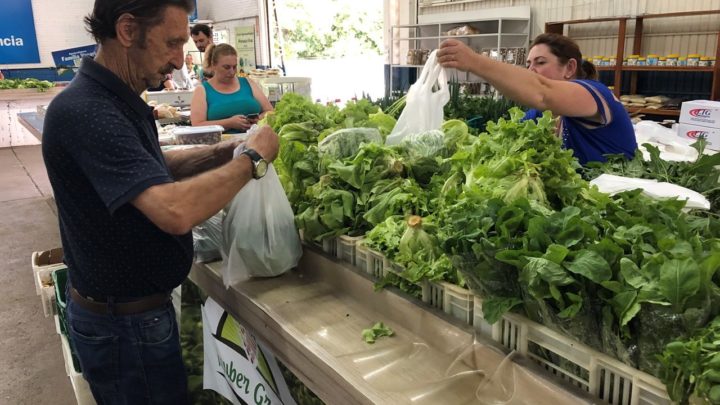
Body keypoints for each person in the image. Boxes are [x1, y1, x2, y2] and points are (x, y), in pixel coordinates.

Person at [41, 1, 279, 403]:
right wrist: (253, 162)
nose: (178, 60)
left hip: (135, 318)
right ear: (128, 30)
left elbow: (151, 167)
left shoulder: (116, 99)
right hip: (124, 328)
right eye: (171, 43)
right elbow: (174, 211)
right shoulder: (89, 111)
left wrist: (228, 151)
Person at [438, 33, 637, 165]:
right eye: (528, 64)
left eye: (540, 62)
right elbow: (503, 142)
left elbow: (542, 92)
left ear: (569, 68)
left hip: (619, 206)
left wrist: (474, 62)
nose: (531, 70)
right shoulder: (540, 115)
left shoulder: (595, 94)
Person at [191, 43, 273, 133]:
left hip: (254, 141)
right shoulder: (202, 90)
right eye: (226, 67)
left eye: (234, 67)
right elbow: (197, 125)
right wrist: (228, 123)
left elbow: (269, 111)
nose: (232, 71)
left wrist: (258, 120)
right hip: (219, 145)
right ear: (213, 65)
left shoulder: (248, 83)